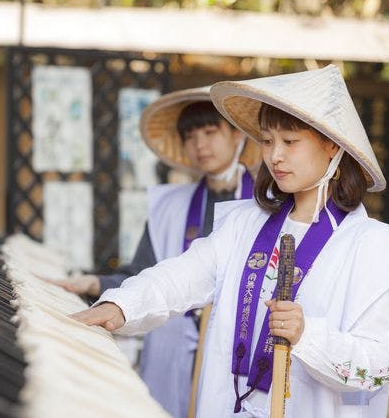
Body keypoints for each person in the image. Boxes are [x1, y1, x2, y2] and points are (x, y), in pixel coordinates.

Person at [70, 65, 389, 418]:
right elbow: (180, 276)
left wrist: (308, 334)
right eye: (267, 141)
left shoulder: (371, 245)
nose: (275, 155)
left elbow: (380, 364)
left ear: (331, 145)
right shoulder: (244, 224)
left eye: (290, 141)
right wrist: (120, 306)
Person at [52, 86, 262, 418]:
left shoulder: (266, 206)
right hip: (171, 354)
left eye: (210, 132)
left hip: (234, 354)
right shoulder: (168, 206)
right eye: (191, 135)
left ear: (237, 134)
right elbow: (141, 274)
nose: (200, 144)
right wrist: (94, 283)